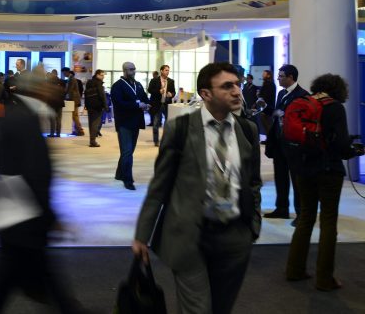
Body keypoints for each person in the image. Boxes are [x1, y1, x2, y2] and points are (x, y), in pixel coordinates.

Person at [133, 62, 262, 314]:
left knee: (221, 308)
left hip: (234, 238)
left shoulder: (248, 130)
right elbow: (160, 185)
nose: (237, 91)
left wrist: (252, 225)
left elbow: (253, 182)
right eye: (227, 86)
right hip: (188, 236)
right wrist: (142, 234)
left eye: (237, 84)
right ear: (206, 94)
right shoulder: (180, 129)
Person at [0, 71, 85, 313]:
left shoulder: (23, 115)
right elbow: (30, 175)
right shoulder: (24, 119)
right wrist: (49, 217)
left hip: (19, 218)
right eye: (48, 85)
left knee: (10, 281)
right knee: (5, 283)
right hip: (23, 220)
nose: (55, 89)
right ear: (36, 90)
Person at [285, 73, 363, 291]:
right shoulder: (335, 107)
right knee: (328, 222)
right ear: (339, 90)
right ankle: (324, 278)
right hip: (328, 171)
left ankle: (294, 269)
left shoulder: (304, 103)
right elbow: (340, 145)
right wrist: (352, 150)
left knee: (306, 218)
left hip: (303, 169)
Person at [264, 64, 309, 224]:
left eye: (281, 76)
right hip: (279, 144)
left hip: (294, 146)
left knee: (297, 181)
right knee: (280, 178)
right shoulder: (281, 93)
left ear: (291, 77)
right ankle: (282, 209)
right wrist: (268, 110)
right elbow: (278, 114)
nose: (278, 78)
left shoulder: (303, 95)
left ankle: (301, 213)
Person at [110, 62, 151, 190]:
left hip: (136, 122)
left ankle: (119, 174)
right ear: (124, 70)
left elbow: (144, 97)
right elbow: (119, 104)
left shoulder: (137, 85)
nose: (133, 71)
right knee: (127, 152)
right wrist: (137, 105)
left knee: (128, 151)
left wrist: (147, 104)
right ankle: (128, 180)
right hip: (124, 123)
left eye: (134, 69)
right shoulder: (117, 86)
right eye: (131, 69)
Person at [147, 64, 175, 147]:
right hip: (157, 104)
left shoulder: (171, 81)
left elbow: (174, 92)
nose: (168, 72)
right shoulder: (154, 80)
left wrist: (171, 94)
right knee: (156, 124)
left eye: (168, 70)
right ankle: (156, 141)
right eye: (166, 70)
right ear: (161, 71)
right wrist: (158, 91)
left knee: (168, 124)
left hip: (167, 104)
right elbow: (149, 90)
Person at [84, 69, 108, 147]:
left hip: (90, 106)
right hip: (97, 106)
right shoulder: (98, 83)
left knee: (91, 123)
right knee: (95, 124)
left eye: (103, 75)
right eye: (102, 75)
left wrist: (86, 105)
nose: (103, 77)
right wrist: (105, 106)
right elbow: (102, 96)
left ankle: (92, 140)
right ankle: (93, 141)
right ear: (97, 75)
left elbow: (86, 94)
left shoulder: (89, 82)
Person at [63, 67, 85, 136]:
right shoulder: (71, 78)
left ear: (66, 72)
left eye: (63, 73)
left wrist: (63, 95)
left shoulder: (71, 79)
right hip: (74, 99)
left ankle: (80, 130)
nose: (63, 74)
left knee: (75, 116)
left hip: (74, 100)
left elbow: (69, 89)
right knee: (75, 116)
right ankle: (77, 130)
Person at [47, 69, 65, 138]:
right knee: (59, 119)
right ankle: (58, 133)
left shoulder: (49, 81)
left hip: (52, 102)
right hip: (60, 102)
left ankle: (52, 133)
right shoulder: (61, 81)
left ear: (52, 74)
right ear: (57, 74)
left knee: (52, 119)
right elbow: (64, 92)